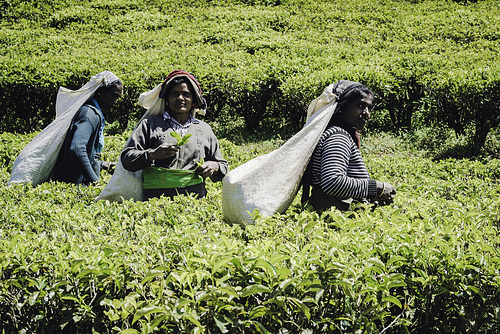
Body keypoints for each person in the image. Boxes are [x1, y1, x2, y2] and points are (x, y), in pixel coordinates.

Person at [120, 70, 228, 200]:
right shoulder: (149, 124)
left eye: (186, 94)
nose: (180, 98)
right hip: (155, 202)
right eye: (174, 94)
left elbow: (222, 164)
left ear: (193, 100)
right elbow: (127, 158)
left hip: (194, 201)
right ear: (167, 99)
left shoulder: (204, 129)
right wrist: (152, 154)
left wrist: (213, 166)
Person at [302, 80, 396, 211]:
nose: (367, 113)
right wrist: (377, 187)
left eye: (369, 107)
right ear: (342, 107)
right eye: (360, 106)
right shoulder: (338, 137)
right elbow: (333, 182)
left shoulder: (339, 133)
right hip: (334, 213)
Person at [51, 74, 123, 185]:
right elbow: (77, 149)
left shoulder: (93, 112)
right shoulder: (89, 114)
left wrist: (103, 164)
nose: (115, 102)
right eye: (113, 96)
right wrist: (95, 181)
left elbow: (89, 155)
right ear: (100, 92)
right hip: (74, 185)